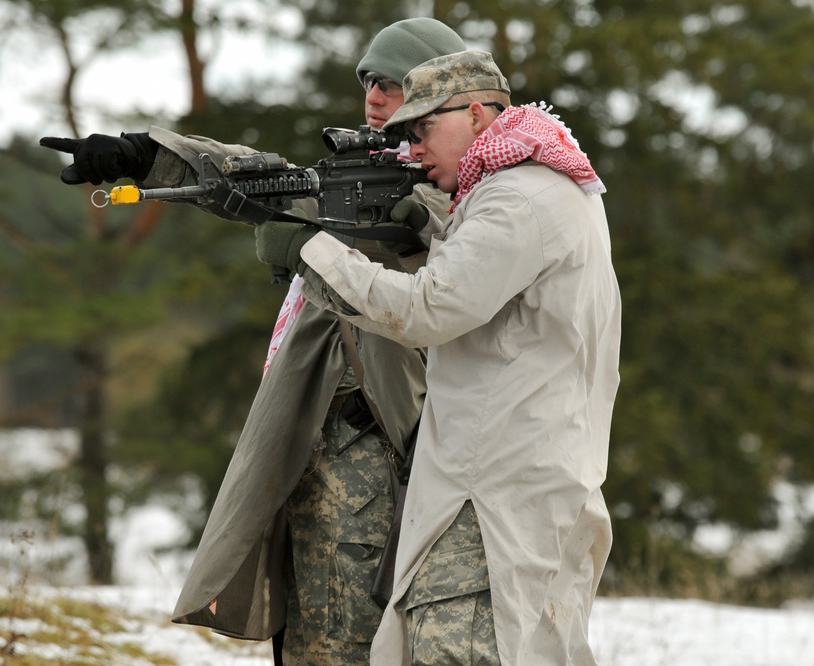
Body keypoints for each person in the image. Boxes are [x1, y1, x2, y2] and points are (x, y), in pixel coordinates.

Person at [40, 18, 468, 666]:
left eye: (393, 83)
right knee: (305, 640)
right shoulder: (356, 180)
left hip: (388, 466)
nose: (374, 97)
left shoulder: (466, 198)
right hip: (315, 457)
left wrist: (366, 235)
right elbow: (263, 177)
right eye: (368, 83)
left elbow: (447, 259)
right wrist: (142, 155)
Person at [254, 50, 621, 665]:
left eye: (422, 130)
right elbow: (490, 288)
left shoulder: (515, 200)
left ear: (477, 114)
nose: (412, 150)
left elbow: (429, 310)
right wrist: (429, 232)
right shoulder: (544, 186)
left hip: (492, 492)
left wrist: (311, 251)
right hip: (528, 478)